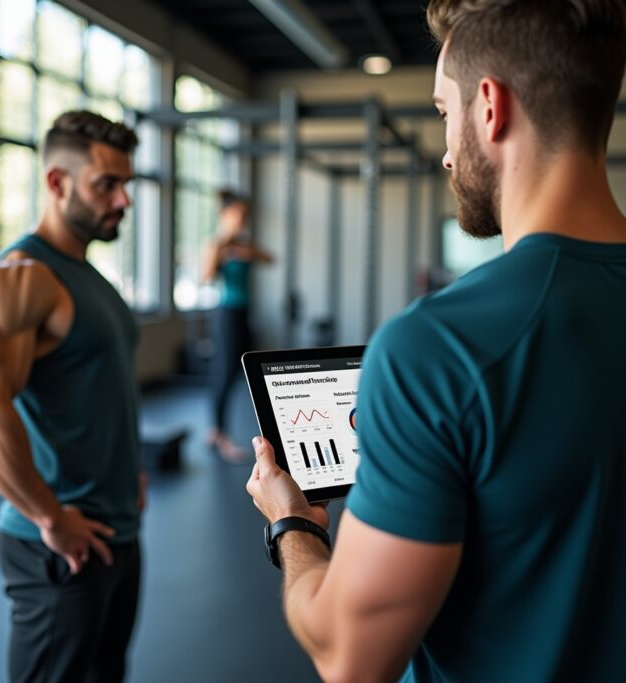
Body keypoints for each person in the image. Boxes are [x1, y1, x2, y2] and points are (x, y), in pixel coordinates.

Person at [246, 1, 626, 681]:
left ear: (490, 107)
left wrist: (292, 522)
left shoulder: (435, 347)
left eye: (444, 112)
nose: (447, 151)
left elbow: (348, 657)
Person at [0, 110, 146, 683]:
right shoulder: (19, 280)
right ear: (58, 183)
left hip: (116, 529)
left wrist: (128, 470)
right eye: (106, 185)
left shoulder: (89, 278)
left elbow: (99, 388)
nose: (123, 201)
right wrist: (49, 515)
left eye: (125, 184)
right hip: (60, 543)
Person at [202, 189, 273, 463]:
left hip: (243, 313)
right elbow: (205, 276)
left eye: (246, 215)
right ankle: (220, 433)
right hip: (226, 314)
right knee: (224, 372)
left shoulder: (245, 245)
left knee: (243, 372)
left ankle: (216, 430)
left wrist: (245, 251)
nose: (243, 219)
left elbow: (269, 259)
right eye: (239, 214)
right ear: (225, 214)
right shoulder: (216, 245)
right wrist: (223, 254)